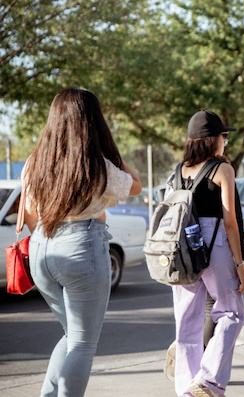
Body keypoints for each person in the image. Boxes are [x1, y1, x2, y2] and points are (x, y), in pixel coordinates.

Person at [22, 88, 142, 397]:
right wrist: (112, 150)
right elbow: (136, 186)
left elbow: (31, 215)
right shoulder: (96, 165)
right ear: (93, 122)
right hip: (81, 248)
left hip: (40, 250)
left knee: (71, 335)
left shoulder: (35, 163)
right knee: (82, 343)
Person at [169, 110, 244, 397]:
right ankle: (208, 381)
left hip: (182, 248)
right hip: (214, 242)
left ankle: (187, 389)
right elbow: (230, 221)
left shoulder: (178, 170)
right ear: (213, 139)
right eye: (223, 137)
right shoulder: (222, 169)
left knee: (187, 321)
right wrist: (240, 262)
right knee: (232, 313)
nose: (225, 142)